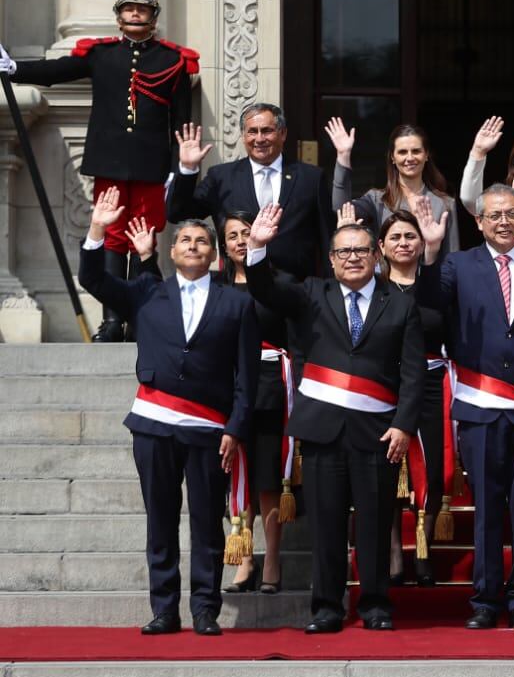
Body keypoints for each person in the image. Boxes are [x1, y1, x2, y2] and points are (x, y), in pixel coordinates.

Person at [78, 187, 258, 635]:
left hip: (208, 430)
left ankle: (204, 610)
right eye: (184, 241)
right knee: (160, 520)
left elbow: (246, 377)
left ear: (214, 254)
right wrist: (98, 229)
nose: (193, 246)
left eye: (201, 241)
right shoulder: (147, 292)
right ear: (172, 252)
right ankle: (164, 609)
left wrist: (235, 428)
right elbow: (95, 282)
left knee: (206, 525)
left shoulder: (237, 303)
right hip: (154, 425)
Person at [245, 204, 424, 634]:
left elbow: (414, 372)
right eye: (343, 252)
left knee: (376, 523)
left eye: (361, 250)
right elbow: (266, 290)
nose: (353, 258)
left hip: (378, 433)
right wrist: (256, 248)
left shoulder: (399, 305)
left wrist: (403, 423)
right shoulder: (312, 294)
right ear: (331, 259)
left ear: (376, 255)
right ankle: (326, 607)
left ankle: (376, 604)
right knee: (325, 521)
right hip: (324, 429)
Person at [2, 0, 199, 342]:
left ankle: (142, 319)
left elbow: (182, 123)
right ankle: (112, 321)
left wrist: (178, 169)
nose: (135, 14)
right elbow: (58, 70)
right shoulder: (102, 54)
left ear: (154, 16)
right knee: (110, 239)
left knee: (143, 239)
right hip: (109, 161)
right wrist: (14, 70)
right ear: (118, 16)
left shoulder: (174, 62)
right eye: (129, 8)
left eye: (142, 8)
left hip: (151, 165)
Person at [416, 184, 514, 630]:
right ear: (479, 221)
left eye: (511, 213)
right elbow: (428, 304)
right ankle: (485, 600)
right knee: (488, 507)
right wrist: (429, 251)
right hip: (479, 406)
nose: (503, 221)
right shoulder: (457, 265)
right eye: (494, 215)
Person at [216, 211, 293, 596]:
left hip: (268, 387)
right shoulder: (216, 287)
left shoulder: (278, 284)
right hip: (227, 388)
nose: (241, 240)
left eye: (247, 232)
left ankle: (273, 559)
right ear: (224, 245)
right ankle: (244, 557)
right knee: (236, 475)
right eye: (233, 235)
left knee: (266, 476)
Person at [371, 206, 446, 587]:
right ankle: (395, 550)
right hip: (387, 388)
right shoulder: (373, 288)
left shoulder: (437, 283)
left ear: (422, 243)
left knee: (433, 470)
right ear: (381, 246)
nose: (403, 243)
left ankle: (424, 548)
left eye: (410, 236)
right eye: (395, 237)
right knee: (389, 471)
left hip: (433, 385)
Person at [169, 107, 332, 281]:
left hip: (297, 290)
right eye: (252, 132)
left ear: (283, 134)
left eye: (267, 131)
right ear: (243, 136)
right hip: (240, 289)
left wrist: (330, 291)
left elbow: (327, 238)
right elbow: (178, 213)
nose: (259, 139)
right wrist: (188, 169)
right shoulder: (222, 177)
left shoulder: (311, 178)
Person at [326, 118, 460, 257]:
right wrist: (343, 156)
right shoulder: (377, 200)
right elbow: (342, 209)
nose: (410, 158)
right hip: (386, 278)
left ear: (426, 155)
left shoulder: (444, 203)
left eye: (416, 151)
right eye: (402, 152)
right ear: (392, 158)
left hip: (431, 278)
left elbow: (452, 257)